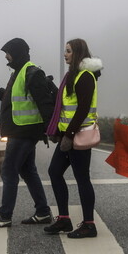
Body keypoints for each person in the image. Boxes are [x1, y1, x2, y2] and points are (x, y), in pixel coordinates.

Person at [0, 38, 54, 229]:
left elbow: (44, 103)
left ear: (18, 53)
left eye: (8, 53)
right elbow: (13, 99)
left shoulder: (32, 73)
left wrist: (51, 130)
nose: (6, 56)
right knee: (27, 171)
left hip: (24, 131)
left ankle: (4, 216)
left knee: (9, 170)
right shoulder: (19, 72)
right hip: (20, 130)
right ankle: (43, 212)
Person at [43, 38, 103, 238]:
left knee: (82, 178)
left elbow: (83, 108)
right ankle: (64, 219)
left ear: (77, 53)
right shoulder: (72, 75)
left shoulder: (85, 76)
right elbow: (66, 109)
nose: (65, 54)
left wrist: (68, 135)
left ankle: (89, 224)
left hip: (79, 136)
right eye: (65, 50)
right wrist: (59, 132)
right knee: (54, 172)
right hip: (67, 136)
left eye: (68, 51)